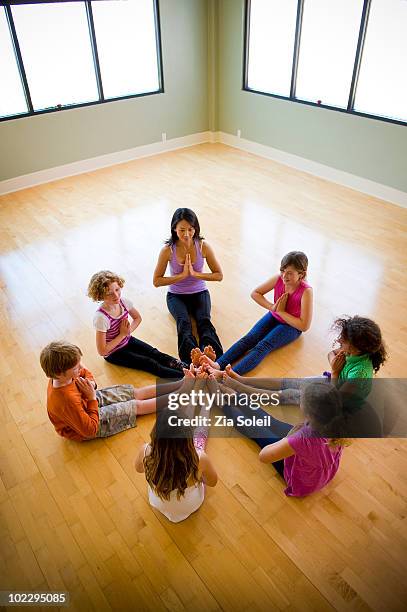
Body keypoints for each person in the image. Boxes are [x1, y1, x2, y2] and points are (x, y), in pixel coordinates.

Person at [218, 379, 348, 497]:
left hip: (301, 481)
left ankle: (222, 402)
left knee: (255, 428)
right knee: (269, 421)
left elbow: (264, 456)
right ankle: (235, 396)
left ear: (307, 412)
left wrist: (288, 439)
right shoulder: (335, 422)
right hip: (318, 470)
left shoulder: (302, 438)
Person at [40, 341, 188, 441]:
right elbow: (89, 430)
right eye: (75, 368)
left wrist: (91, 383)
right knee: (136, 405)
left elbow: (85, 372)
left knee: (135, 393)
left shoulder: (64, 374)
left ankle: (183, 382)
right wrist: (91, 398)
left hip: (87, 400)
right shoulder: (66, 401)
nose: (80, 369)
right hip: (88, 422)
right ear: (59, 373)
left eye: (79, 364)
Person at [200, 251, 313, 375]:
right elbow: (255, 293)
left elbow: (304, 326)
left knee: (263, 346)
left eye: (290, 273)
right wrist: (273, 308)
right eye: (282, 270)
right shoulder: (278, 279)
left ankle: (228, 375)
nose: (284, 276)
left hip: (292, 326)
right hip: (275, 315)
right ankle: (218, 364)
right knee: (249, 338)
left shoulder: (306, 291)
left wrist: (281, 312)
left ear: (301, 274)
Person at [153, 208, 223, 365]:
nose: (186, 234)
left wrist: (196, 274)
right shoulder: (167, 250)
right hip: (176, 296)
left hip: (200, 292)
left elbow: (219, 275)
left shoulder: (203, 246)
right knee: (184, 323)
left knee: (204, 321)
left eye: (190, 229)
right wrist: (181, 276)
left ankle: (212, 357)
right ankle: (193, 360)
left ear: (196, 228)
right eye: (181, 230)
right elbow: (156, 281)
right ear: (174, 229)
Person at [88, 270, 184, 378]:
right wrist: (122, 335)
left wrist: (127, 332)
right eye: (109, 293)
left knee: (155, 353)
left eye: (117, 289)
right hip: (113, 352)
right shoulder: (101, 318)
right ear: (100, 295)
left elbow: (137, 318)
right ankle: (187, 378)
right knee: (149, 363)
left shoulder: (123, 302)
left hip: (127, 339)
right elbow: (102, 351)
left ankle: (190, 368)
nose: (116, 295)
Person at [135, 404, 218, 523]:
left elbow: (138, 469)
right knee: (200, 438)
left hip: (159, 502)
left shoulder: (146, 451)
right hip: (190, 505)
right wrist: (197, 476)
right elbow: (212, 482)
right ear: (187, 440)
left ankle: (197, 399)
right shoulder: (199, 458)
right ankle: (206, 405)